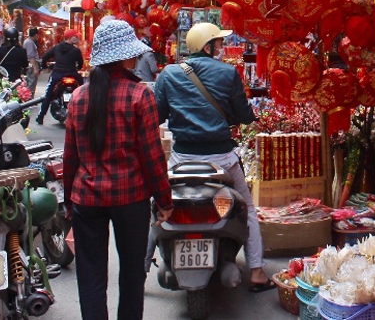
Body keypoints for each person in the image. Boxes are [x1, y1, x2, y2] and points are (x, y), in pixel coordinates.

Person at [64, 20, 172, 320]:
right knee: (132, 275)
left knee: (91, 277)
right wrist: (164, 201)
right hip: (131, 199)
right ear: (125, 56)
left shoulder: (78, 97)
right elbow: (152, 157)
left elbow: (70, 157)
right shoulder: (140, 95)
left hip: (87, 199)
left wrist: (69, 201)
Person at [154, 23, 271, 292]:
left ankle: (141, 266)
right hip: (222, 159)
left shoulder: (168, 74)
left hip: (181, 158)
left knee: (159, 207)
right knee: (248, 209)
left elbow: (157, 116)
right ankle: (256, 271)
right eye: (217, 44)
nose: (220, 48)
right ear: (207, 47)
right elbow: (243, 115)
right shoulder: (228, 73)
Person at [39, 29, 84, 125]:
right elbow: (80, 64)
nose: (77, 38)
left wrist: (44, 67)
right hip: (72, 74)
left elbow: (45, 57)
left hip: (57, 75)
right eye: (75, 36)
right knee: (83, 91)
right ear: (70, 38)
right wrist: (78, 68)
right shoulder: (76, 50)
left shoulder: (57, 48)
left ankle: (41, 116)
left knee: (48, 95)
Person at [23, 27, 42, 95]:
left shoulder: (29, 41)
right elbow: (31, 56)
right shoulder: (29, 42)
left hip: (31, 64)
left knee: (31, 82)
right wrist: (35, 68)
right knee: (31, 82)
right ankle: (29, 98)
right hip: (31, 65)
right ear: (36, 35)